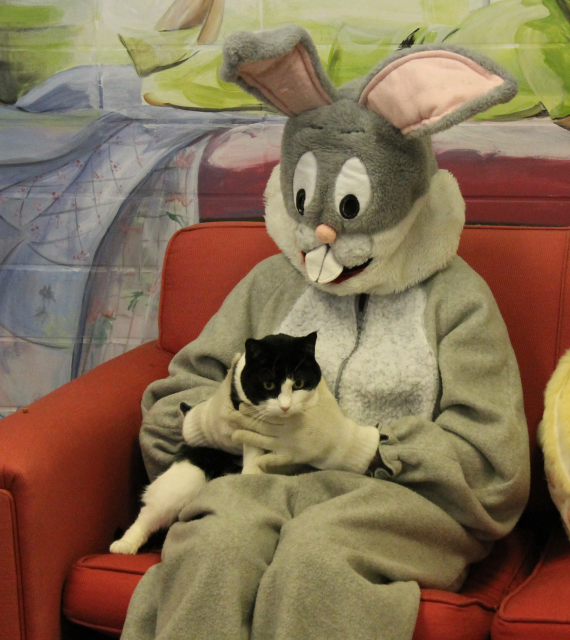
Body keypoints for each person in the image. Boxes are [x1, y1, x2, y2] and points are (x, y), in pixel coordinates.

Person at [121, 27, 530, 640]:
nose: (324, 236)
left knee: (316, 555)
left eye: (345, 211)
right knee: (216, 542)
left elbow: (495, 471)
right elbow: (168, 414)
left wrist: (356, 446)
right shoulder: (269, 284)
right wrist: (208, 421)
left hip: (401, 508)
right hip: (261, 487)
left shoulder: (458, 297)